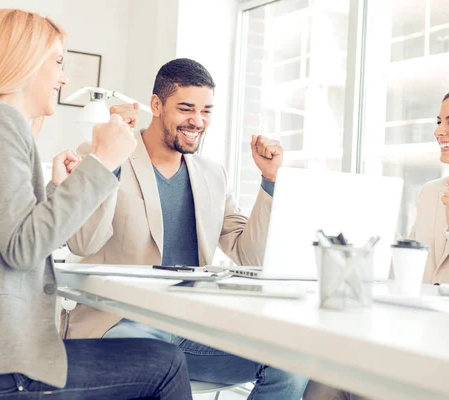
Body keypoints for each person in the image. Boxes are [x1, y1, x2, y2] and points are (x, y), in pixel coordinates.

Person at [0, 9, 192, 399]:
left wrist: (56, 189)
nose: (64, 78)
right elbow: (24, 247)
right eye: (58, 62)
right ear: (24, 60)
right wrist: (102, 163)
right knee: (167, 364)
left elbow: (10, 233)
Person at [64, 58, 308, 400]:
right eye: (186, 108)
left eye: (206, 110)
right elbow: (82, 242)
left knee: (293, 363)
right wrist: (110, 161)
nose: (198, 120)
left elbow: (248, 254)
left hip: (191, 325)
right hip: (121, 322)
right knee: (162, 368)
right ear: (156, 105)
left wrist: (270, 180)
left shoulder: (213, 173)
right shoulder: (103, 154)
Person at [303, 85, 449, 400]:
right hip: (417, 333)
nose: (438, 130)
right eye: (439, 121)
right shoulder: (432, 192)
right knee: (328, 372)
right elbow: (410, 274)